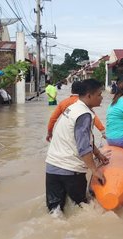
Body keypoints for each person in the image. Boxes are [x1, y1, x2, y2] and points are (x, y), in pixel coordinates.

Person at [45, 79, 109, 213]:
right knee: (82, 208)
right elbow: (83, 146)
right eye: (99, 94)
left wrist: (97, 154)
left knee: (55, 211)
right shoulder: (84, 114)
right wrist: (95, 170)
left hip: (52, 167)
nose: (102, 98)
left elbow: (83, 138)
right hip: (70, 171)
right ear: (89, 96)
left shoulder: (72, 108)